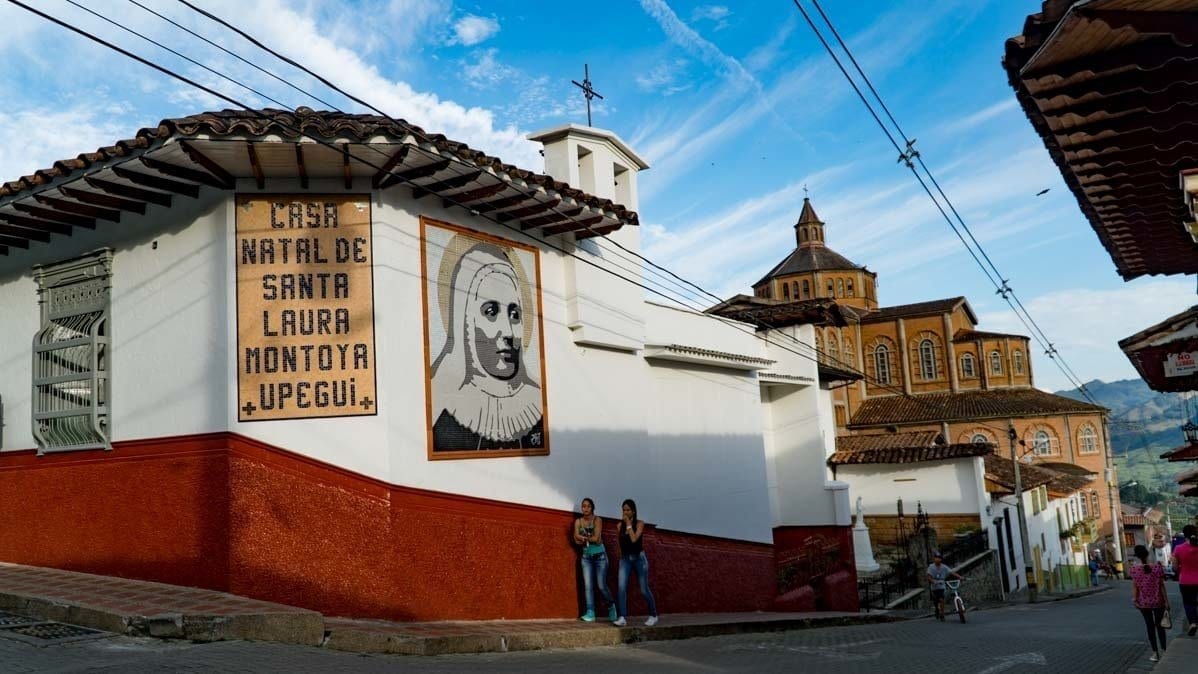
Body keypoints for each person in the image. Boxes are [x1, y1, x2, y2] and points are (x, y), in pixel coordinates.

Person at [430, 241, 544, 451]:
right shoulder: (443, 414)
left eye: (515, 314)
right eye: (490, 312)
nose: (509, 332)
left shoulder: (536, 407)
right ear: (465, 321)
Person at [614, 499, 658, 627]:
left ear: (633, 511)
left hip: (639, 559)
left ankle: (653, 615)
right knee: (621, 587)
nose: (625, 512)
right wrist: (622, 557)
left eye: (628, 510)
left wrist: (628, 524)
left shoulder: (640, 524)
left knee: (644, 589)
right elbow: (621, 543)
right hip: (625, 559)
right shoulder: (619, 526)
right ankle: (622, 617)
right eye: (623, 510)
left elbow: (633, 539)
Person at [573, 497, 616, 622]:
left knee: (601, 585)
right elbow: (575, 539)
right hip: (586, 557)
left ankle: (611, 606)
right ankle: (590, 612)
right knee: (588, 586)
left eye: (588, 506)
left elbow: (596, 539)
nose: (585, 508)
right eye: (583, 506)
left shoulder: (598, 520)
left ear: (592, 508)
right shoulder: (578, 522)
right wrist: (585, 538)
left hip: (600, 557)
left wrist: (581, 537)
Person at [1130, 544, 1169, 662]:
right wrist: (1167, 602)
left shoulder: (1134, 570)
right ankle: (1164, 650)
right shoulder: (1157, 567)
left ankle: (1154, 653)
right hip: (1158, 601)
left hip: (1143, 603)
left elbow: (1135, 587)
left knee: (1150, 627)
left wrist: (1134, 599)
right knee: (1160, 627)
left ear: (1136, 556)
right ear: (1147, 554)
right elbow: (1162, 585)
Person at [1174, 524, 1198, 637]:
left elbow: (1174, 567)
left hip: (1185, 581)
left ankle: (1193, 623)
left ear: (1184, 534)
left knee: (1189, 603)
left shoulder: (1178, 548)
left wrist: (1181, 568)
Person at [927, 552, 963, 621]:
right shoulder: (931, 567)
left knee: (941, 599)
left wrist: (960, 577)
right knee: (936, 600)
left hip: (941, 585)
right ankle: (937, 610)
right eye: (936, 558)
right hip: (934, 586)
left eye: (939, 558)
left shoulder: (944, 567)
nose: (938, 560)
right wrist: (933, 581)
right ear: (934, 559)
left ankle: (942, 614)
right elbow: (928, 576)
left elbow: (952, 572)